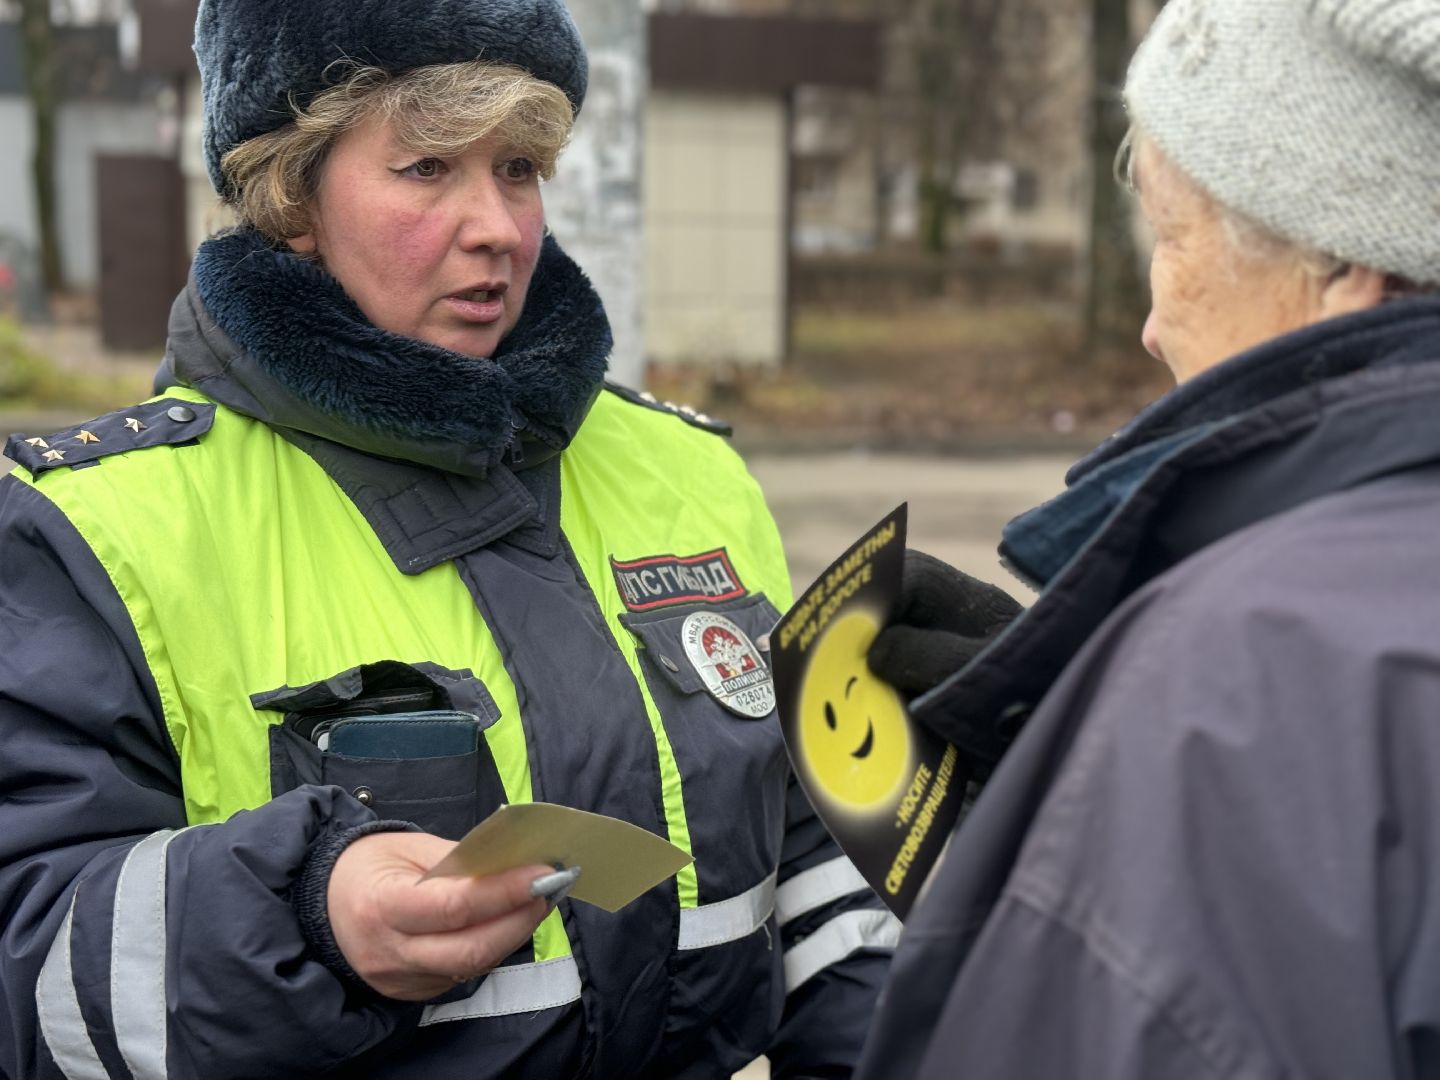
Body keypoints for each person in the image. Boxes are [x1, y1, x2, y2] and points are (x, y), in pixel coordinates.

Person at [0, 1, 899, 1076]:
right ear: (293, 197)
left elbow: (820, 869)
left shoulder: (690, 473)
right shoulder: (98, 531)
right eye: (428, 167)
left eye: (518, 167)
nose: (499, 227)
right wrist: (306, 914)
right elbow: (28, 959)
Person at [858, 0, 1440, 1075]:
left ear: (1343, 269)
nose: (1150, 323)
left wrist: (1142, 754)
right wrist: (1075, 736)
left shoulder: (1246, 666)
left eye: (1172, 235)